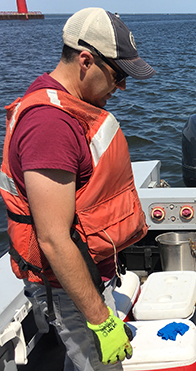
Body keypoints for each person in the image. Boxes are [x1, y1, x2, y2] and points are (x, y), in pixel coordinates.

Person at [0, 8, 155, 370]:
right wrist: (100, 320)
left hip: (88, 274)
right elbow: (53, 238)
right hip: (69, 288)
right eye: (118, 75)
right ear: (86, 61)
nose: (122, 87)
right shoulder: (50, 127)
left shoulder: (68, 107)